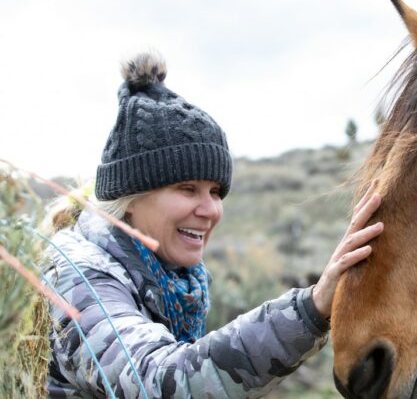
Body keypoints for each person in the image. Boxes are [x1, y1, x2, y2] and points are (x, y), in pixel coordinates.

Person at [43, 52, 383, 397]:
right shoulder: (78, 282)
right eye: (187, 189)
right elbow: (157, 382)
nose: (210, 210)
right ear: (129, 199)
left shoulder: (171, 280)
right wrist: (309, 309)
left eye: (216, 192)